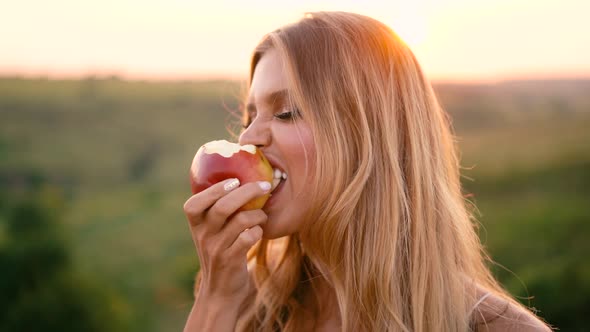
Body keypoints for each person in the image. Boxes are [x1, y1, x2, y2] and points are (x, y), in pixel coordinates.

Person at [182, 11, 552, 332]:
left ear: (369, 136)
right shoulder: (251, 309)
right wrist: (216, 300)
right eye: (250, 115)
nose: (247, 137)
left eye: (286, 112)